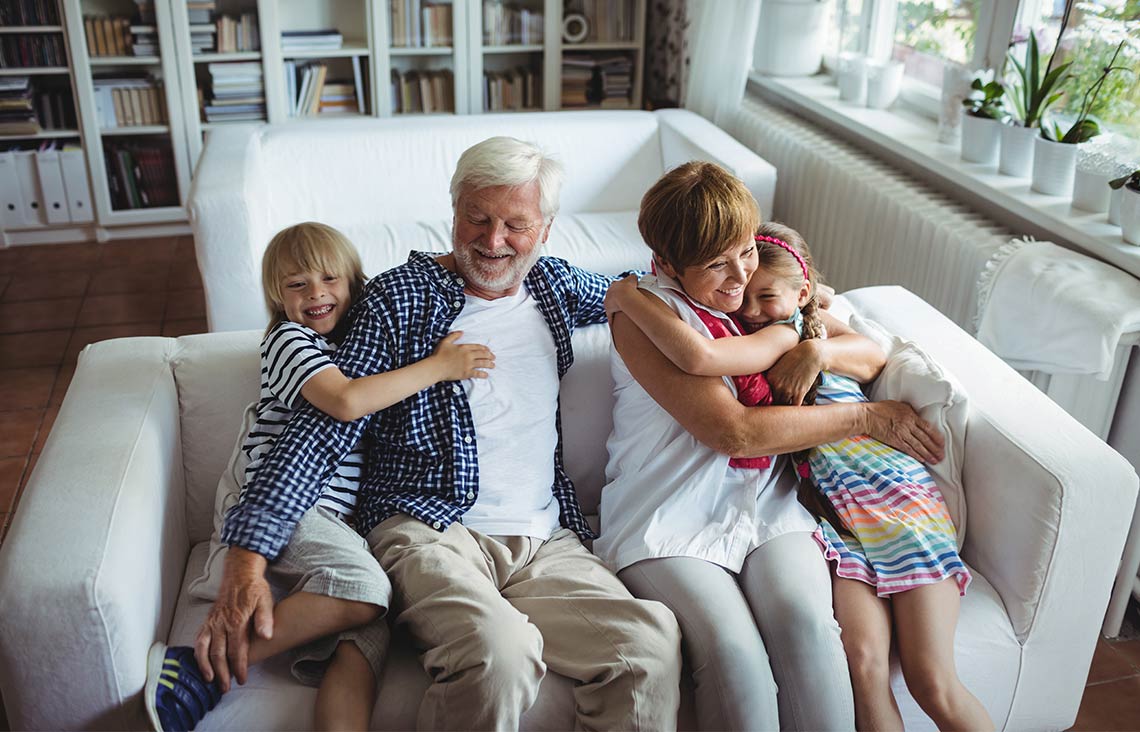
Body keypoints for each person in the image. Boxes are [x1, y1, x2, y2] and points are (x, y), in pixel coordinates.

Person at [197, 138, 682, 731]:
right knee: (499, 656)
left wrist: (784, 304)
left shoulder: (556, 287)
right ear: (453, 211)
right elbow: (320, 431)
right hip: (429, 530)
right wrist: (248, 561)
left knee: (650, 647)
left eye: (515, 225)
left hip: (545, 540)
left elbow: (643, 286)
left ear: (547, 229)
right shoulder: (398, 298)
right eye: (477, 217)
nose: (493, 240)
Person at [596, 160, 947, 731]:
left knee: (809, 629)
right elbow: (732, 432)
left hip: (770, 506)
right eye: (716, 265)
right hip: (667, 517)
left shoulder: (764, 300)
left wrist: (818, 351)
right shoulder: (648, 316)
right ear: (666, 266)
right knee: (736, 658)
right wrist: (863, 417)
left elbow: (869, 350)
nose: (738, 277)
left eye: (745, 252)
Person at [145, 222, 495, 732]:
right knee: (362, 588)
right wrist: (441, 367)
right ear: (277, 297)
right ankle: (197, 671)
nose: (316, 294)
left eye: (330, 279)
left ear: (354, 283)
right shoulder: (289, 340)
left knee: (364, 642)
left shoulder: (363, 345)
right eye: (296, 285)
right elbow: (346, 402)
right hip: (289, 503)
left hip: (337, 525)